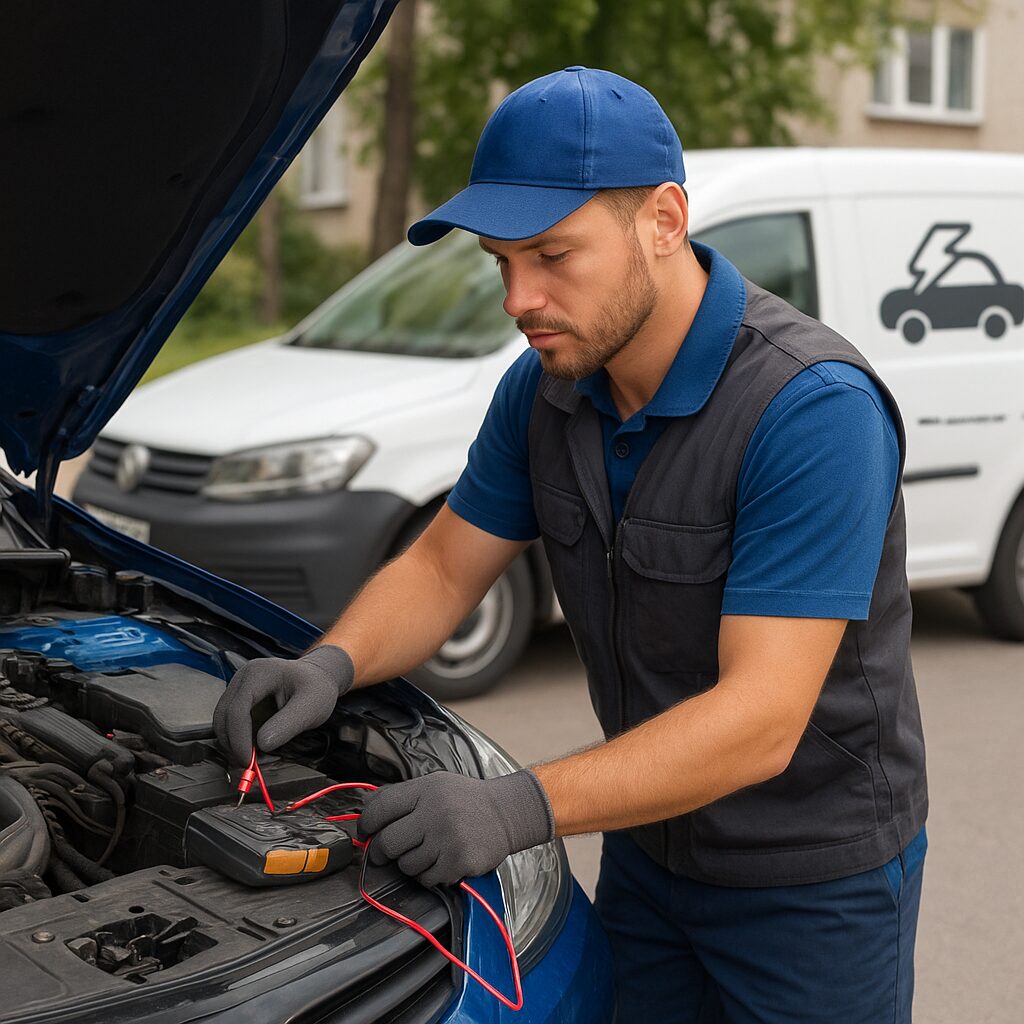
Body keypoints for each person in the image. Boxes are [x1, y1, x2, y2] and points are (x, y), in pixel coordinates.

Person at [213, 67, 928, 1022]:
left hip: (811, 887)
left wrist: (513, 808)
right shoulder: (547, 387)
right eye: (500, 261)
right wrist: (330, 663)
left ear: (665, 221)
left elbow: (761, 717)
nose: (520, 297)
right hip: (645, 846)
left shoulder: (810, 410)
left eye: (553, 254)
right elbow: (439, 566)